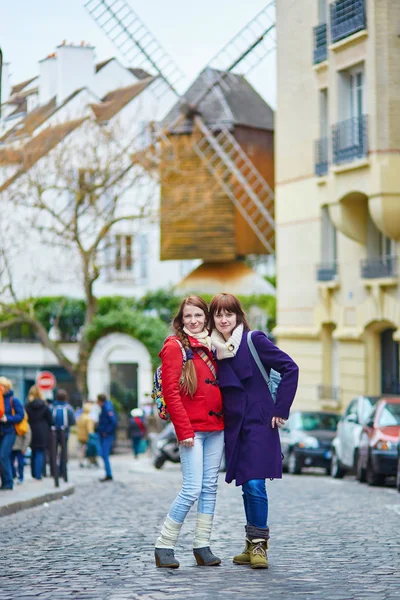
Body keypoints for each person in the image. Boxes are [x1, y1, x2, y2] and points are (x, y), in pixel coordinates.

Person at [209, 293, 299, 569]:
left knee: (255, 484)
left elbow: (290, 368)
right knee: (246, 486)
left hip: (260, 421)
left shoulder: (254, 339)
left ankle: (260, 546)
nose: (224, 319)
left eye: (229, 314)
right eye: (218, 315)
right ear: (213, 319)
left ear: (238, 316)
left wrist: (281, 409)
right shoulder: (213, 349)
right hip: (234, 426)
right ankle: (250, 544)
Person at [154, 296, 224, 569]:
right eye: (188, 317)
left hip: (217, 428)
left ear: (206, 318)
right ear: (180, 321)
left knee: (209, 487)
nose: (193, 321)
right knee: (192, 488)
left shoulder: (216, 345)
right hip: (191, 430)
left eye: (198, 315)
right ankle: (164, 545)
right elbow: (171, 392)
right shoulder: (174, 346)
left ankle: (202, 545)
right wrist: (183, 431)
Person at [0, 377, 24, 490]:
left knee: (3, 456)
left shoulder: (13, 400)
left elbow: (20, 416)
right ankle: (4, 482)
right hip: (1, 431)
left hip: (9, 431)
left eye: (2, 386)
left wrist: (8, 418)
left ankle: (8, 482)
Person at [25, 386, 53, 480]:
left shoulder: (27, 406)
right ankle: (38, 474)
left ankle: (33, 473)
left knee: (33, 451)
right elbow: (50, 420)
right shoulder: (44, 406)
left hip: (31, 429)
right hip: (42, 431)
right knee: (40, 452)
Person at [52, 389, 76, 477]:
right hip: (65, 433)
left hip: (53, 432)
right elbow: (73, 421)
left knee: (53, 452)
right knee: (63, 452)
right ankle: (63, 471)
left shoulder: (53, 407)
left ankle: (54, 471)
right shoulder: (69, 408)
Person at [96, 393, 117, 482]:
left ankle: (109, 474)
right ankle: (108, 474)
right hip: (103, 434)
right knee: (103, 454)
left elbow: (114, 422)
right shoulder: (105, 407)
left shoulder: (107, 408)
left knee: (104, 455)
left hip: (106, 435)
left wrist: (106, 432)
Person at [11, 419, 31, 484]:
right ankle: (14, 476)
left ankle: (20, 477)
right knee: (11, 463)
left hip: (20, 447)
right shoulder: (11, 421)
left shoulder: (23, 423)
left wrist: (24, 448)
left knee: (20, 463)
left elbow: (28, 436)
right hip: (11, 447)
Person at [76, 402, 95, 468]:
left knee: (81, 450)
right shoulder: (88, 418)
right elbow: (90, 429)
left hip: (80, 436)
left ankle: (80, 461)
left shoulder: (80, 417)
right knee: (88, 450)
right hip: (86, 436)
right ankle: (89, 463)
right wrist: (92, 435)